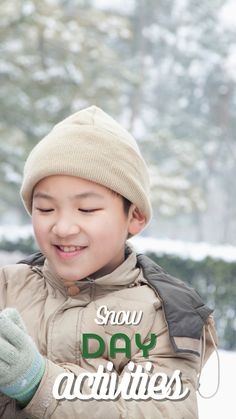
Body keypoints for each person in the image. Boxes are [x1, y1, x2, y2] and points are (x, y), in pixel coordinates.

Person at [0, 105, 217, 418]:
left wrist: (36, 382)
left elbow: (158, 411)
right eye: (45, 209)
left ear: (135, 217)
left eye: (86, 209)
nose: (62, 227)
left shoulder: (165, 315)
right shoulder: (8, 288)